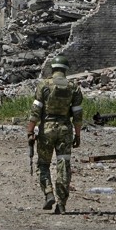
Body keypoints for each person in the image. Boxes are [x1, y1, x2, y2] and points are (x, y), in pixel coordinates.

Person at [26, 55, 83, 214]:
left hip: (47, 130)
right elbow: (78, 116)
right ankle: (62, 204)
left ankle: (49, 193)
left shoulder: (44, 85)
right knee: (63, 165)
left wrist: (30, 131)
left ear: (53, 68)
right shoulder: (74, 88)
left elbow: (35, 112)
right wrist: (77, 135)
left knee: (43, 164)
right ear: (65, 70)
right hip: (65, 130)